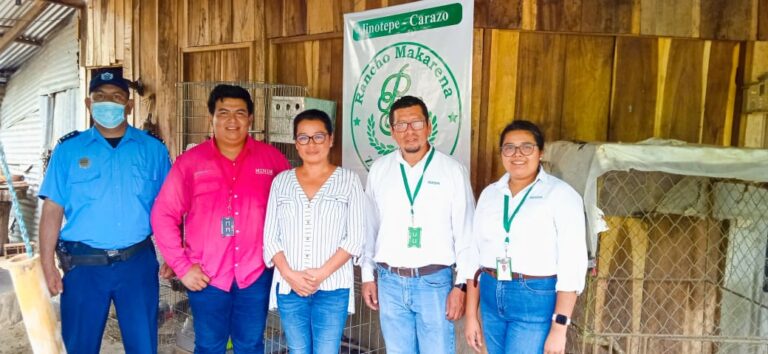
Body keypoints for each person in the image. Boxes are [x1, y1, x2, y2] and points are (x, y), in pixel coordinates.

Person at [38, 68, 171, 354]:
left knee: (143, 346)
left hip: (137, 263)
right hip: (83, 265)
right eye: (100, 97)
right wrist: (47, 263)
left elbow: (169, 207)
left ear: (129, 105)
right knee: (80, 346)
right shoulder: (68, 150)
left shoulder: (153, 150)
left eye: (116, 96)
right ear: (89, 104)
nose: (107, 102)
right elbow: (52, 209)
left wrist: (174, 255)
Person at [151, 84, 290, 354]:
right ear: (211, 118)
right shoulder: (190, 162)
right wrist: (181, 266)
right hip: (206, 276)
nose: (232, 120)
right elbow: (163, 214)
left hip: (256, 274)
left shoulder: (272, 160)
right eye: (223, 112)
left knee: (250, 345)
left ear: (250, 119)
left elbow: (292, 210)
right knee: (209, 346)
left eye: (240, 113)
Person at [360, 95, 475, 353]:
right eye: (401, 125)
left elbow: (466, 234)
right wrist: (368, 275)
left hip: (434, 282)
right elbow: (370, 228)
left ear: (429, 126)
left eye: (416, 123)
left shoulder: (452, 171)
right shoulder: (380, 170)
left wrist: (461, 285)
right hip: (389, 281)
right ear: (392, 131)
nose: (409, 131)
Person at [464, 120, 588, 354]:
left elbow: (572, 265)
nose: (517, 154)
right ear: (501, 153)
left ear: (541, 152)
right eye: (509, 147)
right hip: (491, 293)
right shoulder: (490, 194)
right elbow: (474, 256)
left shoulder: (561, 195)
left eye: (526, 147)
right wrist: (471, 316)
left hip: (534, 297)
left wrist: (559, 328)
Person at [263, 109, 365, 353]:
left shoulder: (349, 181)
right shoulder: (282, 182)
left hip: (333, 288)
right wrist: (290, 275)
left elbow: (355, 238)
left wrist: (320, 274)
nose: (311, 144)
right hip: (290, 286)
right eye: (303, 138)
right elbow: (270, 237)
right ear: (295, 143)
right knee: (298, 350)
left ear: (330, 139)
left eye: (318, 137)